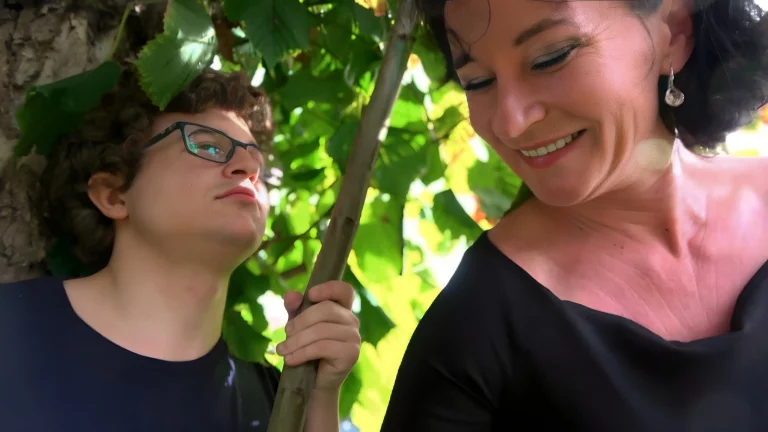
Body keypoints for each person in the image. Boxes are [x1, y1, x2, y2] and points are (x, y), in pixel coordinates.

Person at [382, 0, 768, 430]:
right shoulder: (476, 324)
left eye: (551, 58)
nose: (511, 123)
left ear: (674, 34)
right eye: (478, 81)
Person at [0, 68, 361, 432]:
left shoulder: (273, 403)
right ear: (114, 195)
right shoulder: (10, 329)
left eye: (260, 166)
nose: (249, 168)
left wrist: (320, 398)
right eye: (208, 146)